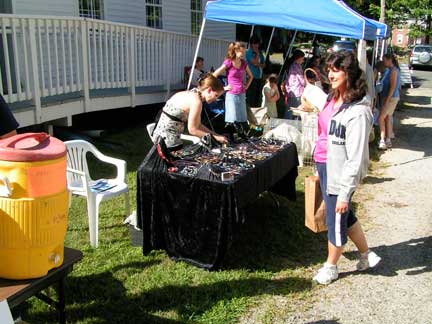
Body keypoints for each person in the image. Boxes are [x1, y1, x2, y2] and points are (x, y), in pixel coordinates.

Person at [313, 50, 381, 285]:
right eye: (329, 69)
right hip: (324, 163)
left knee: (336, 220)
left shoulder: (359, 111)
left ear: (349, 73)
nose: (330, 74)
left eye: (336, 69)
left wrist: (344, 192)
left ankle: (331, 266)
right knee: (347, 216)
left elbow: (356, 158)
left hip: (340, 173)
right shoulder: (333, 97)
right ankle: (366, 255)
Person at [152, 73, 228, 150]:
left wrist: (216, 135)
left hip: (160, 136)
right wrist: (216, 138)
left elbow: (198, 125)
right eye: (216, 95)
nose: (216, 99)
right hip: (166, 142)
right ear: (209, 90)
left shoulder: (192, 93)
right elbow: (193, 130)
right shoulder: (196, 101)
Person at [213, 42, 253, 126]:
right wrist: (223, 88)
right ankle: (231, 137)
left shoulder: (244, 63)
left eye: (244, 52)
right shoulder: (229, 62)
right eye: (241, 52)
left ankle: (241, 137)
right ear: (235, 50)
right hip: (231, 94)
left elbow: (251, 76)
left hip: (242, 93)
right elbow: (214, 75)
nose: (243, 54)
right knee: (232, 120)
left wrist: (246, 86)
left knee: (242, 120)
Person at [378, 53, 400, 150]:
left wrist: (387, 100)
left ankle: (382, 140)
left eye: (384, 60)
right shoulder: (390, 70)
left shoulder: (393, 71)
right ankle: (388, 139)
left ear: (389, 60)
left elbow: (393, 87)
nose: (383, 62)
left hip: (391, 98)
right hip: (390, 97)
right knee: (387, 118)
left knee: (381, 118)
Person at [281, 49, 306, 118]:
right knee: (296, 110)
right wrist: (307, 84)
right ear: (299, 58)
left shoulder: (291, 65)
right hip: (297, 91)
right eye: (302, 58)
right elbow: (302, 80)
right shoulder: (297, 66)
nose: (303, 60)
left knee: (289, 109)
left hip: (291, 90)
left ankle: (286, 123)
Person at [246, 36, 265, 107]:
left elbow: (263, 65)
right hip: (251, 77)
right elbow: (255, 62)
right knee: (251, 96)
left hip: (259, 77)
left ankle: (256, 111)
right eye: (255, 44)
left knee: (257, 96)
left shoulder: (260, 53)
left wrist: (258, 64)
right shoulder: (248, 52)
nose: (257, 46)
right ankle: (250, 110)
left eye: (257, 44)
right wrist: (257, 54)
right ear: (251, 44)